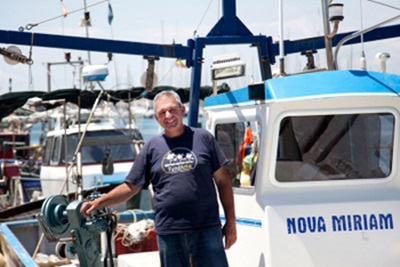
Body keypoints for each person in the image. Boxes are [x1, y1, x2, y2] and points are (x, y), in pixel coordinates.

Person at [80, 90, 237, 267]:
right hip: (169, 232)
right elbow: (130, 187)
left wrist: (231, 222)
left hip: (207, 229)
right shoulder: (151, 147)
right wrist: (99, 202)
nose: (168, 116)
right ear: (156, 118)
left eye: (172, 110)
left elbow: (223, 182)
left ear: (182, 109)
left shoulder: (204, 138)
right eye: (162, 112)